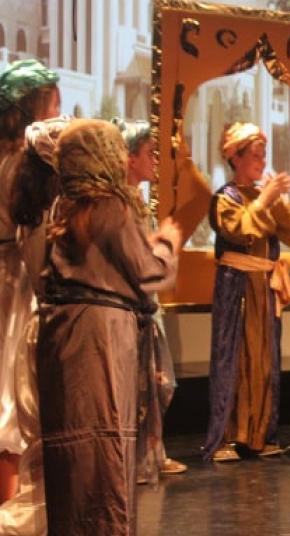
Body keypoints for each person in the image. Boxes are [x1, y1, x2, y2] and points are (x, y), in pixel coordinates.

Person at [36, 118, 181, 534]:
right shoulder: (110, 205)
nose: (121, 157)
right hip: (101, 332)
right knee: (105, 440)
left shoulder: (61, 206)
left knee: (72, 445)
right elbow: (150, 273)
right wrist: (166, 242)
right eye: (115, 149)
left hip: (61, 330)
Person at [204, 122, 290, 462]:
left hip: (264, 286)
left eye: (264, 156)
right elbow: (239, 230)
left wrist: (278, 202)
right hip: (237, 284)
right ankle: (228, 437)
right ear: (236, 158)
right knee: (234, 357)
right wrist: (264, 199)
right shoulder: (225, 198)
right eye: (256, 156)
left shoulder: (264, 196)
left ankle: (259, 436)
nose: (262, 162)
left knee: (263, 359)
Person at [0, 115, 68, 535]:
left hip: (32, 314)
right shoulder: (47, 219)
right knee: (24, 414)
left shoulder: (36, 214)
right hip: (40, 319)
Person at [115, 118, 188, 479]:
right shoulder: (119, 204)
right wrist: (162, 244)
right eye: (149, 153)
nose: (155, 160)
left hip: (146, 302)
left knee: (157, 380)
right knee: (140, 382)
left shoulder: (136, 201)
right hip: (131, 303)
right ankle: (136, 457)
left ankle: (151, 453)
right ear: (130, 159)